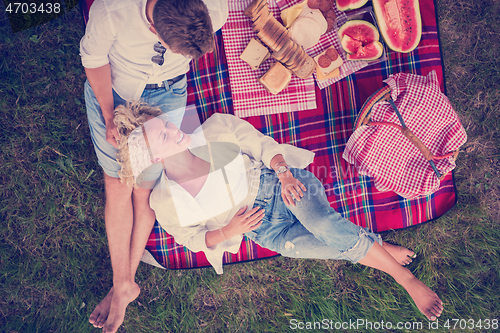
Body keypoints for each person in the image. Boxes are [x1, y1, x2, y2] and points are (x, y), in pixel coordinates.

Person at [115, 102, 444, 322]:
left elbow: (263, 146)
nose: (174, 129)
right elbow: (193, 239)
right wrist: (230, 231)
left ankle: (404, 278)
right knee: (322, 247)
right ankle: (379, 246)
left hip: (278, 185)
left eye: (166, 124)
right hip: (263, 231)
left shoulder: (216, 128)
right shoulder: (164, 201)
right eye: (164, 135)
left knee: (323, 224)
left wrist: (285, 173)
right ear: (154, 158)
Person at [79, 0, 228, 332]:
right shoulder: (113, 10)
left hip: (170, 91)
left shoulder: (215, 7)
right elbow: (93, 59)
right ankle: (123, 284)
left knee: (145, 187)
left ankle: (124, 286)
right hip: (117, 89)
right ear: (152, 30)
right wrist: (107, 115)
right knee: (118, 185)